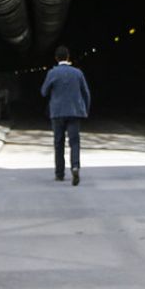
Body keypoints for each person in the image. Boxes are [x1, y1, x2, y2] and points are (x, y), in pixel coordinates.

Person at [40, 45, 90, 185]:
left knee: (59, 143)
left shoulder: (52, 73)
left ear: (56, 58)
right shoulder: (78, 73)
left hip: (57, 113)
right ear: (68, 57)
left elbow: (44, 92)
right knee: (74, 142)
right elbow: (86, 93)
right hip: (74, 112)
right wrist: (85, 109)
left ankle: (60, 174)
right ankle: (75, 166)